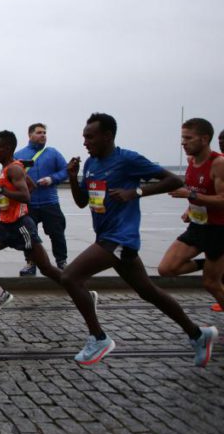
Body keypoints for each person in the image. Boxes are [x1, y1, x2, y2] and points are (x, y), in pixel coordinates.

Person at [61, 112, 217, 366]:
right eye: (84, 137)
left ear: (107, 136)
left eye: (90, 137)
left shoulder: (127, 159)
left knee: (70, 276)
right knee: (149, 291)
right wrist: (72, 176)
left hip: (120, 237)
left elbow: (173, 179)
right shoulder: (90, 164)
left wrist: (135, 192)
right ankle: (198, 334)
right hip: (107, 236)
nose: (85, 142)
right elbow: (82, 203)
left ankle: (99, 338)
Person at [0, 130, 70, 316]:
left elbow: (25, 196)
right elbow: (30, 186)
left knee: (46, 268)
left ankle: (82, 291)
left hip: (21, 226)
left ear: (7, 149)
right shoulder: (11, 167)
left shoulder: (14, 168)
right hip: (5, 225)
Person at [157, 118, 224, 312]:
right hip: (197, 226)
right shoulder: (191, 161)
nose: (183, 143)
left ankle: (215, 268)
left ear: (204, 139)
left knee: (211, 284)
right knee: (166, 269)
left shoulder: (218, 164)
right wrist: (190, 208)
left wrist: (192, 196)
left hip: (219, 229)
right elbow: (201, 192)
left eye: (188, 138)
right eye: (182, 138)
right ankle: (209, 264)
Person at [14, 123, 69, 275]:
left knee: (57, 233)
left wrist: (52, 179)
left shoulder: (53, 153)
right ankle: (31, 263)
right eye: (39, 133)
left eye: (44, 132)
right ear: (30, 135)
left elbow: (66, 170)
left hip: (50, 202)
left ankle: (62, 262)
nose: (43, 135)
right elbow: (10, 175)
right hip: (28, 203)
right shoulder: (19, 155)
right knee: (29, 236)